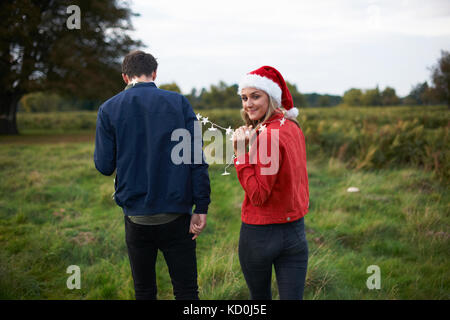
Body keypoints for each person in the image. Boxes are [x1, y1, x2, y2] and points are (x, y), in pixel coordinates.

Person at [94, 50, 210, 300]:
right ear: (155, 73)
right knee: (187, 291)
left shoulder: (108, 109)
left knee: (144, 291)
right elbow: (196, 159)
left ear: (125, 77)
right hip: (177, 214)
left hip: (136, 217)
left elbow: (104, 166)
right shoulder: (179, 103)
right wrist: (201, 206)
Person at [232, 66, 309, 300]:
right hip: (295, 231)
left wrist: (240, 153)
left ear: (272, 98)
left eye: (256, 96)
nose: (248, 103)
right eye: (244, 98)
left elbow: (258, 195)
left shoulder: (267, 136)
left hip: (261, 234)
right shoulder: (292, 127)